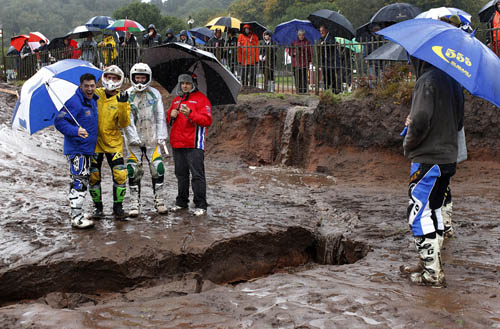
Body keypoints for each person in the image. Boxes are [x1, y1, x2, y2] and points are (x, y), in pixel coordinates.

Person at [401, 57, 464, 287]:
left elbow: (419, 120)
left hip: (428, 158)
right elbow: (459, 122)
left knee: (418, 214)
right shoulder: (453, 81)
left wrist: (409, 141)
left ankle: (432, 273)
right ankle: (430, 263)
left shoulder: (426, 80)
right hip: (448, 157)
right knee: (434, 209)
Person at [54, 73, 99, 229]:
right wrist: (75, 130)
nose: (89, 88)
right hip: (76, 149)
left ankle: (77, 211)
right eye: (86, 86)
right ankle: (76, 218)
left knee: (83, 180)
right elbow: (59, 121)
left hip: (87, 148)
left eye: (92, 85)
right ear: (81, 86)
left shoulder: (92, 101)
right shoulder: (73, 102)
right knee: (79, 180)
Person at [125, 63, 168, 216]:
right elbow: (126, 118)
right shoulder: (127, 94)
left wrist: (162, 135)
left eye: (143, 78)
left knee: (158, 168)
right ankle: (134, 202)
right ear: (132, 78)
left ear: (148, 78)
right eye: (137, 78)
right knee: (133, 170)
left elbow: (160, 115)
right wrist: (132, 136)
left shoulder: (155, 93)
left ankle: (159, 200)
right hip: (133, 140)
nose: (140, 81)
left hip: (152, 137)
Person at [166, 74, 212, 216]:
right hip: (177, 143)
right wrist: (170, 115)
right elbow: (169, 120)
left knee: (197, 175)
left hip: (194, 144)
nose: (185, 86)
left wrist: (190, 113)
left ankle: (201, 204)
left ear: (194, 84)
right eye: (182, 83)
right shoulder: (176, 100)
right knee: (181, 174)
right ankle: (181, 202)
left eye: (188, 83)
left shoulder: (202, 99)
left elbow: (207, 120)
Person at [89, 65, 131, 219]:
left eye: (114, 78)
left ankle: (118, 207)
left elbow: (124, 123)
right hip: (95, 142)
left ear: (119, 80)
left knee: (120, 174)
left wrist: (121, 105)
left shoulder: (122, 98)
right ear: (103, 77)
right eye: (108, 77)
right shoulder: (96, 93)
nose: (111, 80)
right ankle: (97, 207)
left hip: (113, 142)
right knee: (93, 175)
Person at [319, 25, 342, 93]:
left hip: (332, 61)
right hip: (325, 62)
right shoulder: (321, 39)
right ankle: (326, 91)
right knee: (326, 78)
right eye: (320, 31)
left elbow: (332, 44)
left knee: (333, 77)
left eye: (322, 31)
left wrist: (325, 43)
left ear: (326, 30)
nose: (321, 32)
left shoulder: (331, 37)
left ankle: (335, 91)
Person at [291, 30, 312, 94]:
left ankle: (304, 90)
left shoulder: (307, 42)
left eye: (302, 35)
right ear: (298, 35)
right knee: (297, 77)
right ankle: (298, 90)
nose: (301, 36)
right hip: (296, 63)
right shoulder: (294, 42)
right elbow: (290, 52)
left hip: (304, 63)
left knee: (304, 77)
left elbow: (309, 53)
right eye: (300, 35)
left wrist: (309, 60)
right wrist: (293, 53)